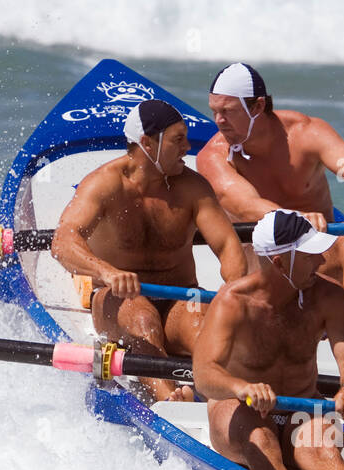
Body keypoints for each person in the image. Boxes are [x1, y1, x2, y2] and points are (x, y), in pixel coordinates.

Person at [51, 99, 246, 401]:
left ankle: (227, 401)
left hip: (181, 297)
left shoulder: (193, 187)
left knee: (203, 326)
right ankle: (169, 403)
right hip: (119, 299)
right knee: (143, 321)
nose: (187, 147)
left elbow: (227, 245)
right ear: (147, 143)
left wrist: (233, 288)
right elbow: (62, 241)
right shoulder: (105, 185)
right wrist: (107, 272)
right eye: (177, 140)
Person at [193, 210, 344, 470]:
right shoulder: (233, 302)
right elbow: (203, 375)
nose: (322, 261)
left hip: (300, 406)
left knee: (323, 451)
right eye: (311, 256)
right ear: (279, 262)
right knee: (261, 442)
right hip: (240, 409)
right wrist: (242, 387)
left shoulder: (330, 297)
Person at [196, 62, 344, 302]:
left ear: (258, 106)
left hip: (318, 256)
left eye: (228, 111)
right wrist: (294, 219)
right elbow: (244, 204)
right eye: (214, 111)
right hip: (266, 263)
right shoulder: (213, 156)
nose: (218, 120)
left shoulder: (306, 134)